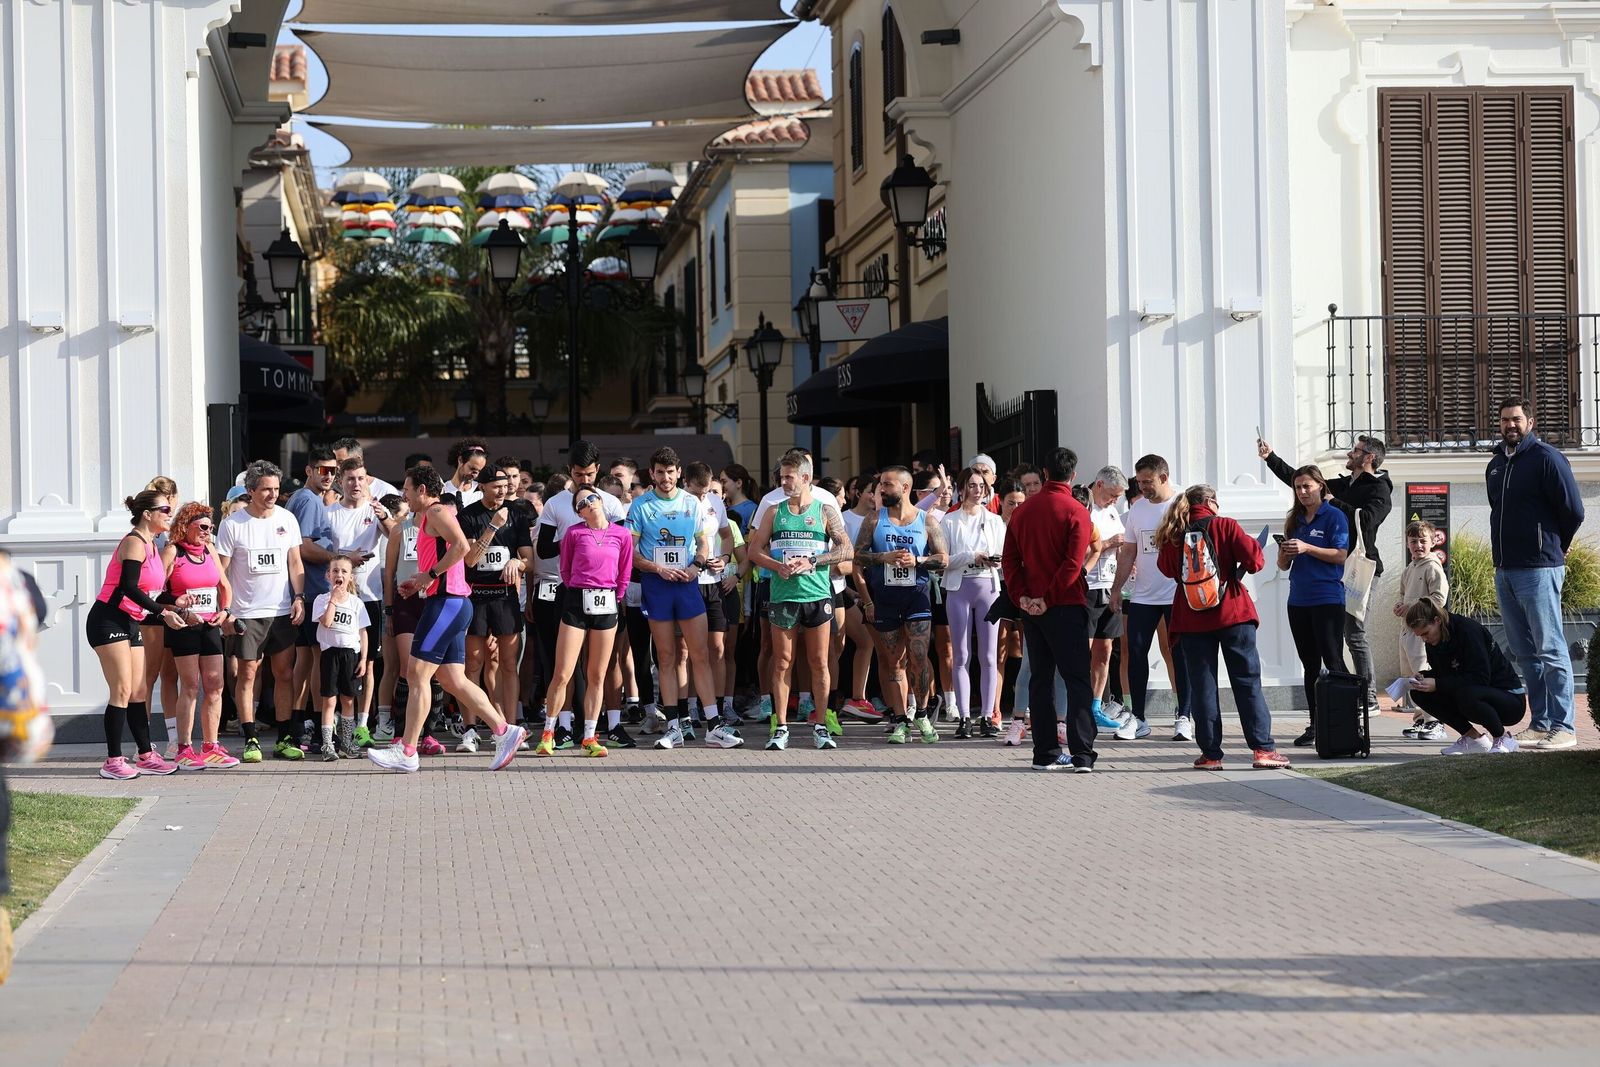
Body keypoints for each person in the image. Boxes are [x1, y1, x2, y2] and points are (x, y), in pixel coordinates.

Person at [367, 465, 527, 772]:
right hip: (451, 602)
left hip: (448, 604)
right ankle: (505, 731)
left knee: (416, 674)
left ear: (423, 491)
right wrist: (419, 580)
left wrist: (429, 575)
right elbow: (444, 558)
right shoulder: (426, 516)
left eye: (408, 490)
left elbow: (463, 547)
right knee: (452, 678)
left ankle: (408, 750)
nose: (406, 495)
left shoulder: (437, 511)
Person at [1154, 485, 1289, 770]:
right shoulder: (1225, 525)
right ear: (1211, 502)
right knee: (1247, 681)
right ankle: (1262, 750)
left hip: (1190, 618)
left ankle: (1211, 754)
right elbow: (1255, 561)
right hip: (1232, 614)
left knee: (1203, 686)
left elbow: (1166, 569)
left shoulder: (1175, 532)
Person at [1259, 432, 1393, 713]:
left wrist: (1335, 502)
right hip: (1328, 577)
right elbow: (1302, 480)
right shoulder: (1342, 484)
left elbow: (1367, 521)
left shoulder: (1379, 488)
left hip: (1361, 567)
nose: (1349, 454)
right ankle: (1328, 710)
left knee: (1354, 633)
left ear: (1368, 457)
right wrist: (1271, 458)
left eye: (1355, 451)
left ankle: (1367, 697)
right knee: (1329, 644)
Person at [626, 447, 743, 750]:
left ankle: (714, 725)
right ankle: (674, 726)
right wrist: (658, 569)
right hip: (658, 585)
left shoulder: (692, 503)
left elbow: (704, 542)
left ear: (679, 472)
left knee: (700, 654)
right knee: (666, 657)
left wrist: (696, 566)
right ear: (652, 474)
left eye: (670, 472)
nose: (665, 478)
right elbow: (632, 554)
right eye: (659, 472)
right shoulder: (640, 506)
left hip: (689, 584)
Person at [1487, 396, 1586, 750]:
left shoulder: (1547, 458)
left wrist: (1559, 544)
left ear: (1530, 422)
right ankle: (1542, 722)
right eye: (1504, 420)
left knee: (1550, 647)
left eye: (1516, 419)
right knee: (1524, 652)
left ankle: (1565, 726)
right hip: (1506, 569)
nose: (1509, 425)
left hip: (1540, 568)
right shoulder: (1497, 463)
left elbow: (1573, 510)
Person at [746, 453, 854, 750]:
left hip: (817, 595)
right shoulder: (773, 510)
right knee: (782, 662)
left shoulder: (824, 510)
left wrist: (814, 561)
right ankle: (780, 727)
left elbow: (847, 550)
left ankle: (820, 725)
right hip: (783, 596)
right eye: (781, 477)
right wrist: (775, 566)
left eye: (788, 477)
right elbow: (754, 551)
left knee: (819, 661)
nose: (783, 482)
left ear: (805, 478)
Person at [1001, 448, 1097, 770]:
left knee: (1040, 679)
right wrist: (1048, 597)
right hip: (1065, 605)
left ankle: (1044, 754)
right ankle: (1082, 754)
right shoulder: (1076, 511)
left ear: (1044, 473)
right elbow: (1073, 564)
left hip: (1032, 606)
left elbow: (1010, 561)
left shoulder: (1023, 512)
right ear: (1073, 475)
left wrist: (1022, 597)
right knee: (1076, 680)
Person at [535, 442, 635, 749]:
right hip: (575, 597)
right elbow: (557, 559)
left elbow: (625, 567)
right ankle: (552, 731)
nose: (585, 484)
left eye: (590, 476)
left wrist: (616, 595)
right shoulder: (563, 514)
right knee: (563, 670)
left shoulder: (616, 516)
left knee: (599, 671)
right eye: (579, 476)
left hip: (607, 600)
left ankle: (591, 734)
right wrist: (575, 586)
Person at [85, 489, 189, 778]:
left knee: (139, 691)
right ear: (147, 514)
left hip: (130, 622)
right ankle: (113, 761)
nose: (170, 514)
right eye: (165, 510)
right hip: (108, 621)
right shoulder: (134, 542)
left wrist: (172, 604)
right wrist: (162, 613)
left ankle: (145, 755)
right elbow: (128, 587)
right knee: (121, 690)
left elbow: (147, 591)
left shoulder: (154, 546)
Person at [215, 461, 309, 763]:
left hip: (282, 610)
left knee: (284, 673)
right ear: (251, 491)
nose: (272, 494)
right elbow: (222, 572)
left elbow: (295, 563)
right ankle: (250, 737)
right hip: (246, 612)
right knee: (248, 673)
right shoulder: (233, 525)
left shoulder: (287, 519)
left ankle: (284, 737)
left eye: (276, 489)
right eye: (266, 489)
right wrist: (226, 610)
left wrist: (299, 598)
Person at [855, 466, 950, 744]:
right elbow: (857, 556)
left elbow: (943, 559)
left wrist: (918, 561)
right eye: (881, 484)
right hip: (886, 598)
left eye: (887, 484)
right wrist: (882, 558)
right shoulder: (874, 519)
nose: (881, 489)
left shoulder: (926, 521)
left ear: (905, 488)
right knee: (894, 660)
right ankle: (900, 719)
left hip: (916, 596)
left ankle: (921, 712)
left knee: (919, 657)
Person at [1109, 455, 1187, 740]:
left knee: (1178, 654)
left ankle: (1184, 715)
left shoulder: (1183, 503)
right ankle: (1139, 717)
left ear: (1164, 477)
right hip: (1143, 595)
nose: (1142, 487)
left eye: (1148, 482)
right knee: (1136, 653)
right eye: (1139, 482)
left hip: (1177, 594)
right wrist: (1117, 589)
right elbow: (1129, 552)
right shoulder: (1137, 510)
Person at [457, 467, 532, 751]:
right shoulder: (468, 515)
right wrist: (493, 527)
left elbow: (529, 559)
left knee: (508, 664)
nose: (503, 491)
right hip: (476, 595)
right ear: (482, 487)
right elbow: (471, 560)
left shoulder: (518, 513)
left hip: (504, 596)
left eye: (505, 485)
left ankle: (510, 728)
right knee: (473, 663)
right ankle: (470, 729)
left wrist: (518, 563)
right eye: (496, 486)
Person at [1276, 465, 1350, 748]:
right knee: (1309, 666)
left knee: (1333, 662)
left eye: (1307, 486)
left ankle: (1343, 722)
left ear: (1320, 486)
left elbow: (1340, 555)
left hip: (1327, 599)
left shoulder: (1334, 516)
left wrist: (1308, 548)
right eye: (1298, 487)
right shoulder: (1294, 520)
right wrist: (1285, 554)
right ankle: (1316, 724)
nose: (1303, 492)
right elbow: (1283, 565)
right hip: (1298, 600)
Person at [162, 503, 239, 769]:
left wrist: (225, 610)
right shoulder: (173, 551)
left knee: (215, 685)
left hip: (209, 624)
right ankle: (184, 748)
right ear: (187, 525)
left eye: (211, 527)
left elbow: (224, 585)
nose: (208, 532)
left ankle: (211, 746)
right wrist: (180, 608)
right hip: (184, 626)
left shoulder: (210, 549)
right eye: (203, 527)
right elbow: (156, 594)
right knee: (191, 686)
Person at [324, 457, 394, 747]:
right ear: (341, 481)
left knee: (368, 663)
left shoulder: (376, 510)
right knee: (341, 661)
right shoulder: (329, 514)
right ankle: (340, 723)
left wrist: (385, 517)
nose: (356, 484)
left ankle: (363, 725)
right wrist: (345, 560)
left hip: (370, 596)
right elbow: (321, 554)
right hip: (340, 599)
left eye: (361, 478)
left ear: (368, 481)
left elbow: (396, 537)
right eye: (350, 479)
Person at [1404, 600, 1524, 755]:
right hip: (1477, 693)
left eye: (1426, 633)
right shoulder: (1434, 640)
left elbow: (1480, 678)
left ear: (1437, 620)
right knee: (1419, 692)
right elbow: (1445, 673)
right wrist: (1424, 677)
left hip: (1510, 699)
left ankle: (1503, 738)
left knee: (1466, 693)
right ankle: (1473, 739)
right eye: (1420, 636)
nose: (1424, 639)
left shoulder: (1467, 631)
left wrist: (1438, 684)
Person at [940, 468, 1006, 737]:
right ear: (963, 488)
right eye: (972, 485)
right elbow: (944, 559)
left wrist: (991, 558)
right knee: (962, 654)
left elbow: (1002, 557)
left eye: (981, 485)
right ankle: (965, 716)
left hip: (988, 586)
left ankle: (988, 716)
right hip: (959, 586)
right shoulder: (950, 521)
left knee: (989, 655)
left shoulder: (994, 521)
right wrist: (971, 556)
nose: (977, 490)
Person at [1083, 467, 1129, 738]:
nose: (1115, 500)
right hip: (1087, 586)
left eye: (1118, 497)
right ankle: (1075, 707)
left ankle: (1096, 706)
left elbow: (1123, 543)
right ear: (1098, 484)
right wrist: (1109, 542)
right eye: (1112, 494)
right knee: (1081, 649)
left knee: (1106, 649)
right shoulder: (1082, 507)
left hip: (1109, 586)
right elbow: (1075, 548)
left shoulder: (1112, 511)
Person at [1394, 520, 1450, 740]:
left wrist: (1413, 606)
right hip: (1407, 631)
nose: (1418, 545)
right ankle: (1421, 718)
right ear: (1408, 544)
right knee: (1410, 676)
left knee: (1423, 674)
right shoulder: (1410, 569)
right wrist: (1400, 606)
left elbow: (1439, 598)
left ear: (1432, 542)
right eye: (1413, 541)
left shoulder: (1432, 566)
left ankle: (1436, 721)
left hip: (1423, 633)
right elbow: (1402, 594)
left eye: (1422, 541)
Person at [312, 557, 370, 760]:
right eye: (335, 571)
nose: (339, 575)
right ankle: (327, 744)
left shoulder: (357, 603)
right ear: (328, 575)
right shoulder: (322, 600)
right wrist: (334, 600)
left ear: (351, 577)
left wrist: (363, 659)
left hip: (350, 655)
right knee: (329, 700)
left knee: (348, 699)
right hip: (330, 653)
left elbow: (362, 632)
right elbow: (326, 622)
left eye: (344, 571)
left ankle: (346, 741)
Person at [838, 470, 883, 722]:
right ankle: (834, 700)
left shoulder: (881, 519)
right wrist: (850, 590)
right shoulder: (844, 519)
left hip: (868, 584)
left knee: (864, 642)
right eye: (872, 491)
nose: (876, 495)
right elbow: (844, 560)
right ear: (859, 493)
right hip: (842, 584)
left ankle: (857, 698)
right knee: (838, 646)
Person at [446, 438, 489, 507]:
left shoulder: (482, 492)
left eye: (479, 471)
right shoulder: (442, 490)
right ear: (460, 460)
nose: (475, 475)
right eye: (472, 469)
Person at [720, 463, 758, 531]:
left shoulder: (751, 509)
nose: (721, 486)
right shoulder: (723, 508)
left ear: (738, 483)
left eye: (724, 482)